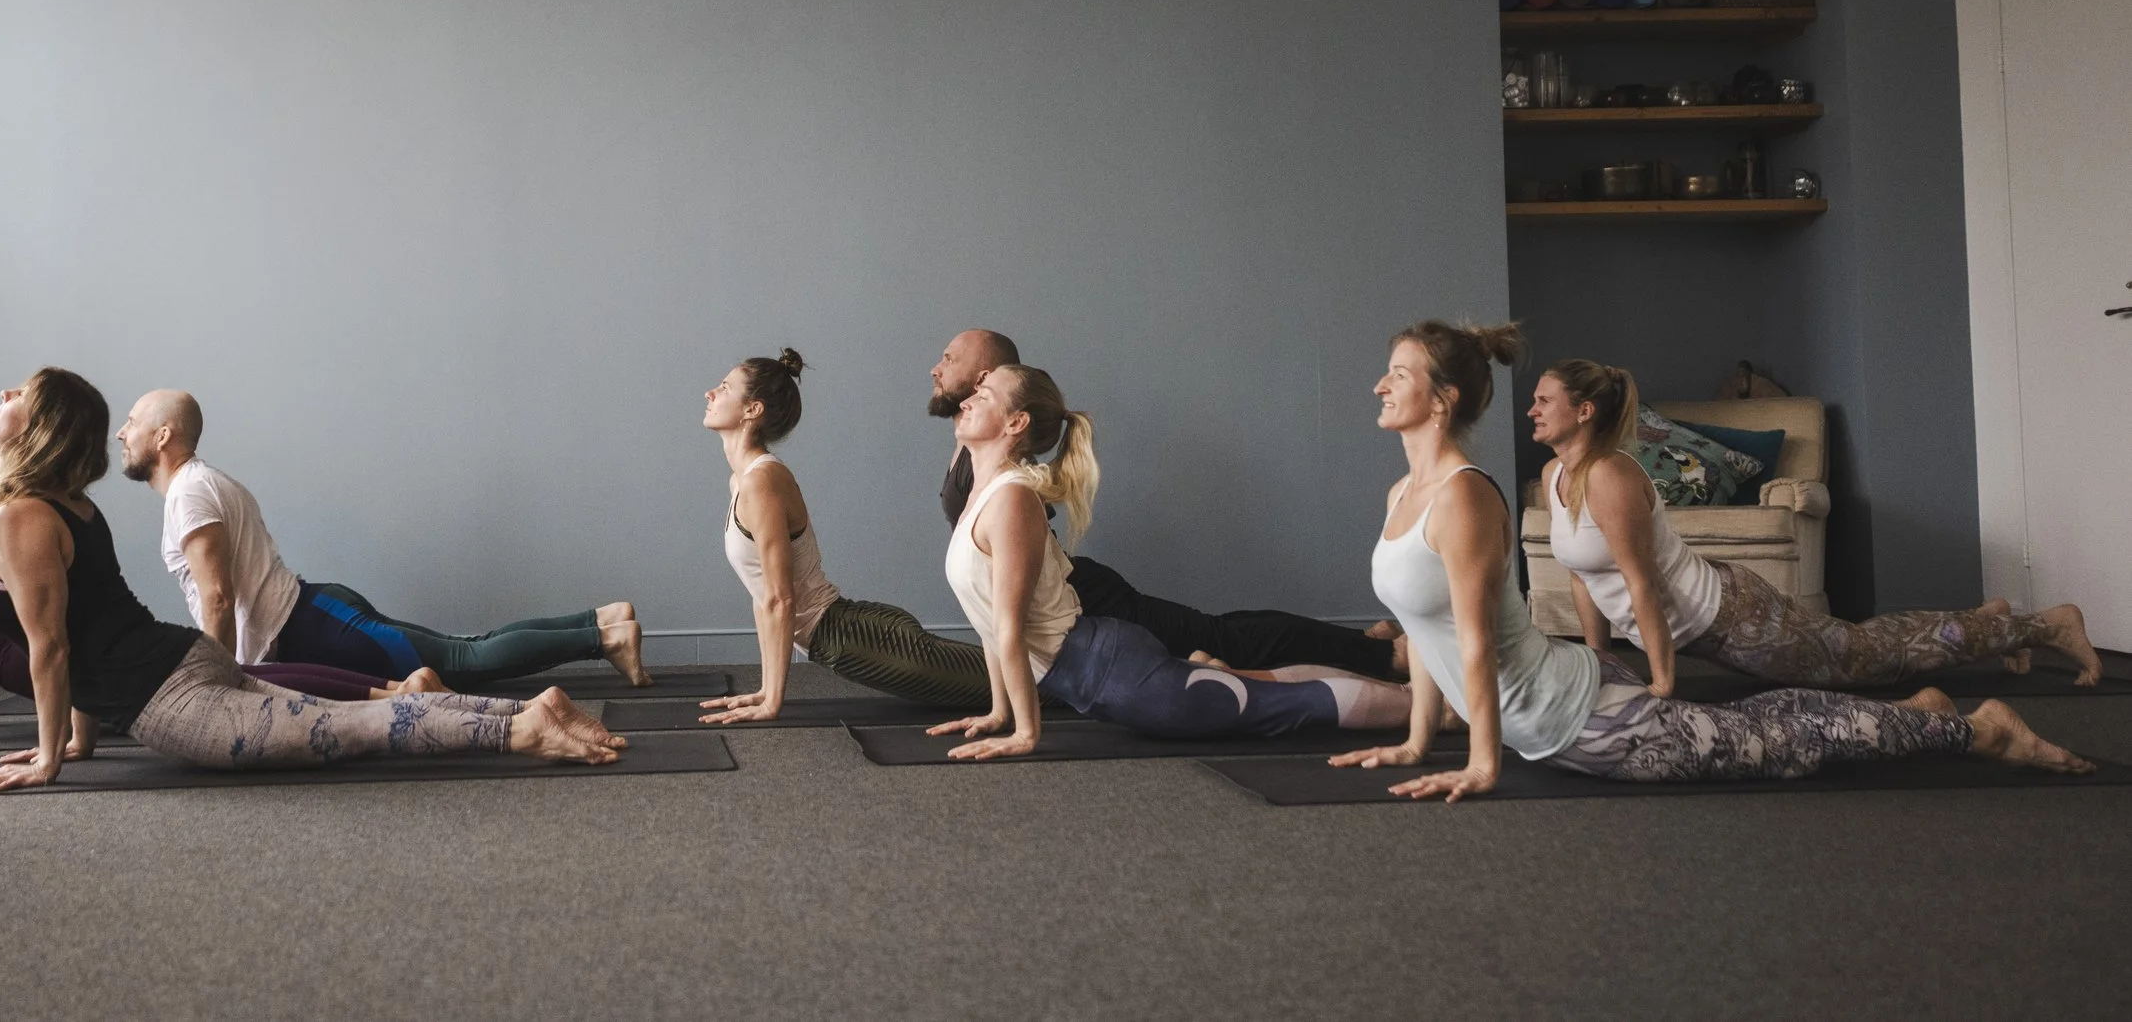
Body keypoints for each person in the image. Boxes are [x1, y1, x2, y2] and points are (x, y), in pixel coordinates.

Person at [1329, 322, 2088, 800]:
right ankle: (1918, 708)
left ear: (1443, 396)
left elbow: (1475, 641)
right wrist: (1419, 739)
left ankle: (1978, 727)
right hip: (1574, 690)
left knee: (1775, 738)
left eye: (1398, 372)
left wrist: (1484, 764)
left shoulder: (1464, 498)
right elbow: (1422, 630)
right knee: (1805, 696)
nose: (1379, 383)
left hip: (1586, 713)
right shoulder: (1407, 490)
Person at [0, 368, 620, 793]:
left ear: (41, 427)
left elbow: (52, 649)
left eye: (21, 391)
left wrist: (49, 758)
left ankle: (523, 728)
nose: (6, 393)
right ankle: (528, 709)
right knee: (358, 713)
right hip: (179, 662)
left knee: (355, 730)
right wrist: (76, 742)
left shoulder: (22, 516)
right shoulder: (68, 505)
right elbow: (84, 629)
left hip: (175, 694)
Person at [0, 374, 449, 748]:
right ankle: (391, 689)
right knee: (230, 683)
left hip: (36, 655)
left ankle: (393, 691)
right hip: (57, 653)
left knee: (230, 685)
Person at [1532, 358, 2102, 693]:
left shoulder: (1612, 477)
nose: (1532, 410)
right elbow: (1584, 577)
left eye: (1543, 400)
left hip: (1731, 615)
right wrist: (1599, 657)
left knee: (1865, 659)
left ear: (1584, 411)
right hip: (1710, 620)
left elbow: (1640, 582)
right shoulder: (1557, 472)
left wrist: (1661, 681)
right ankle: (1988, 622)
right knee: (1863, 649)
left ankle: (2043, 626)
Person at [929, 362, 1408, 760]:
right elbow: (992, 623)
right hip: (1104, 666)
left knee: (1282, 705)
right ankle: (1223, 669)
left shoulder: (1011, 500)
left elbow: (1010, 628)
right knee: (1256, 683)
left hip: (1121, 677)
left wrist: (1025, 735)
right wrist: (999, 713)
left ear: (1016, 424)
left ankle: (1437, 709)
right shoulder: (984, 494)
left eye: (985, 395)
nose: (967, 400)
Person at [117, 388, 648, 691]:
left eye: (134, 422)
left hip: (312, 626)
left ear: (163, 436)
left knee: (461, 664)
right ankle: (600, 620)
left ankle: (602, 638)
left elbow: (217, 596)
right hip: (311, 618)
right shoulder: (200, 484)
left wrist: (218, 684)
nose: (122, 432)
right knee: (465, 650)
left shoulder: (189, 492)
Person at [695, 349, 997, 715]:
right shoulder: (741, 481)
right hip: (843, 633)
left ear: (752, 410)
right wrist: (764, 690)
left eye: (725, 387)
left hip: (854, 638)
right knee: (1004, 683)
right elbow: (763, 597)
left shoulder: (763, 481)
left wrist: (773, 702)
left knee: (1023, 684)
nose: (711, 393)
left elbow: (781, 599)